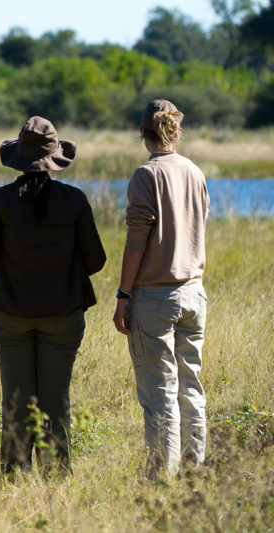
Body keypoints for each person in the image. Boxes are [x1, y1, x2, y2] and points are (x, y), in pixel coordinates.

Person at [0, 116, 106, 478]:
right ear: (56, 158)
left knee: (16, 402)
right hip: (63, 315)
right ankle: (57, 478)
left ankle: (14, 478)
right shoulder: (74, 200)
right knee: (56, 401)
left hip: (10, 316)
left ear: (18, 157)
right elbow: (96, 261)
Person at [112, 100, 209, 480]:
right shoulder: (195, 171)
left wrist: (123, 295)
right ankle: (193, 472)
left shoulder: (145, 175)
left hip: (155, 296)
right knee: (191, 388)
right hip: (194, 293)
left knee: (160, 393)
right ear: (175, 130)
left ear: (143, 133)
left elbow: (137, 240)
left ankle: (160, 481)